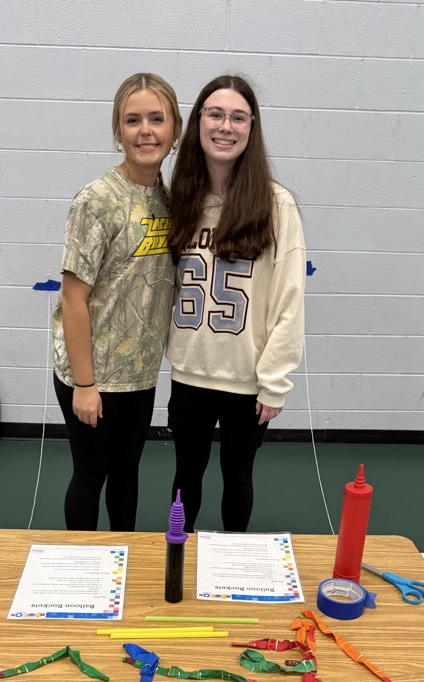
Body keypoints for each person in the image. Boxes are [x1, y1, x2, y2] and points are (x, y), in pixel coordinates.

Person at [166, 75, 306, 533]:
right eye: (215, 114)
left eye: (238, 117)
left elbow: (290, 299)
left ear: (251, 128)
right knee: (185, 476)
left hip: (247, 380)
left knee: (238, 477)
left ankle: (234, 557)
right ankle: (177, 553)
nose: (225, 126)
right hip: (190, 372)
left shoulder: (277, 205)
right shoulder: (180, 200)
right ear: (198, 122)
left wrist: (275, 382)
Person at [52, 74, 182, 530]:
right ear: (118, 132)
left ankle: (122, 556)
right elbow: (73, 298)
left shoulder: (168, 200)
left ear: (175, 131)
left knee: (127, 472)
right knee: (91, 475)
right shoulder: (96, 201)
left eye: (156, 119)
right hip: (94, 375)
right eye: (133, 120)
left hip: (139, 375)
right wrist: (85, 385)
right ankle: (85, 565)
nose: (145, 130)